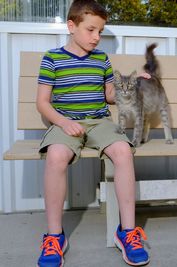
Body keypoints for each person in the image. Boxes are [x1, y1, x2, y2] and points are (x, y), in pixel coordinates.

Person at [36, 0, 149, 266]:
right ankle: (54, 237)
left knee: (123, 151)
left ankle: (128, 232)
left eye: (100, 31)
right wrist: (63, 123)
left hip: (98, 122)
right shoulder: (52, 58)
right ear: (71, 26)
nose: (96, 37)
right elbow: (42, 102)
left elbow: (110, 96)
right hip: (66, 123)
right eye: (91, 30)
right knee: (55, 157)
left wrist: (131, 87)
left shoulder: (101, 60)